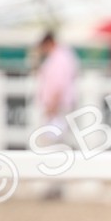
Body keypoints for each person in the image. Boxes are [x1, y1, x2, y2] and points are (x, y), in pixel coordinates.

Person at [33, 31, 80, 199]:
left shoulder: (59, 59)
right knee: (56, 145)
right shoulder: (62, 57)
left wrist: (52, 105)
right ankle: (55, 186)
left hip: (57, 109)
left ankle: (55, 187)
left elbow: (58, 84)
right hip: (58, 108)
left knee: (54, 146)